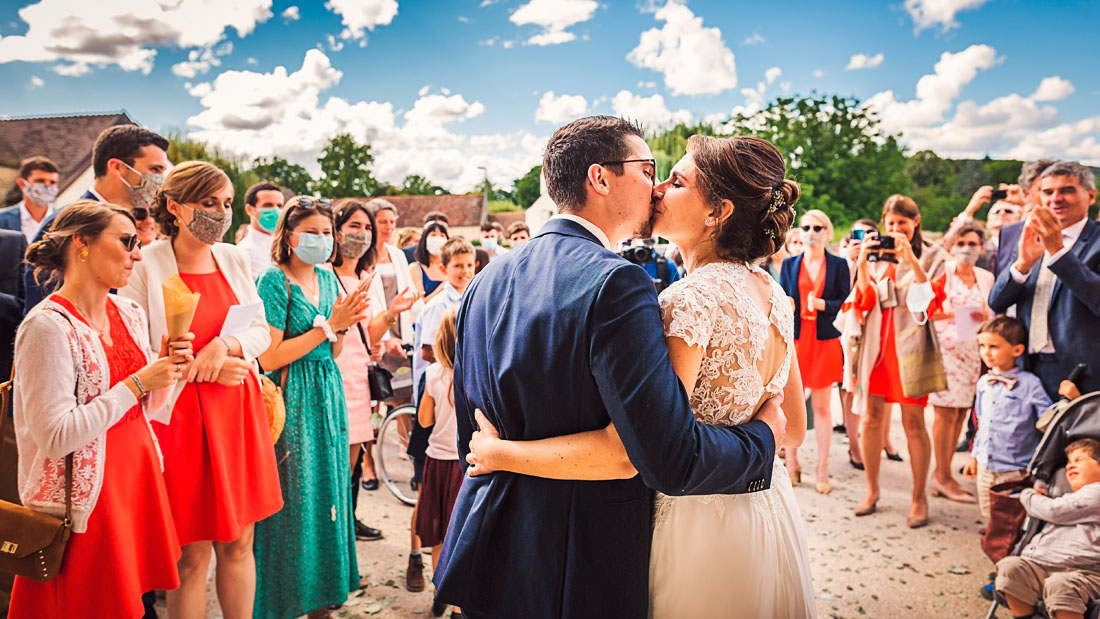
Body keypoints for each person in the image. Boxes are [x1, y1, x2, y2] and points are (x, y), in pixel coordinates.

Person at [433, 118, 790, 618]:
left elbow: (472, 426)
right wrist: (763, 440)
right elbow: (647, 454)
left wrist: (500, 453)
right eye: (647, 170)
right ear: (600, 179)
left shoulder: (485, 279)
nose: (658, 186)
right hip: (578, 561)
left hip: (489, 546)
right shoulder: (617, 283)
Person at [8, 201, 193, 619]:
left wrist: (166, 370)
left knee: (138, 603)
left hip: (135, 483)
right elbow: (55, 436)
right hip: (86, 504)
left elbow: (149, 408)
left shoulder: (128, 310)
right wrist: (139, 382)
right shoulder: (47, 326)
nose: (138, 254)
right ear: (82, 243)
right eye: (127, 241)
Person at [117, 161, 284, 619]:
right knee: (191, 554)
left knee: (240, 540)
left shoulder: (232, 257)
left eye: (227, 203)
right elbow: (133, 352)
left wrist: (226, 347)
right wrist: (201, 366)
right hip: (180, 420)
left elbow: (258, 328)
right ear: (175, 206)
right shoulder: (145, 264)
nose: (221, 212)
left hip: (237, 412)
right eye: (208, 203)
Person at [253, 196, 371, 619]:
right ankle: (284, 601)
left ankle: (322, 599)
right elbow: (267, 357)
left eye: (327, 232)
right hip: (292, 397)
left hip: (327, 391)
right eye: (313, 232)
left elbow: (334, 350)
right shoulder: (273, 280)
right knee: (293, 500)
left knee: (328, 494)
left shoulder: (326, 276)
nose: (322, 239)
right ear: (289, 234)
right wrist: (329, 326)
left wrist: (344, 321)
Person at [844, 194, 947, 528]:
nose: (895, 229)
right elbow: (863, 300)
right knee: (871, 419)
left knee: (914, 423)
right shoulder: (876, 255)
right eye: (890, 223)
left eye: (902, 222)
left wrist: (910, 262)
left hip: (910, 347)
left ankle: (919, 497)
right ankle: (872, 490)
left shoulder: (932, 254)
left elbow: (928, 304)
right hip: (876, 346)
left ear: (915, 221)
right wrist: (860, 267)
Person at [330, 201, 420, 541]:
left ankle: (347, 532)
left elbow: (369, 332)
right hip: (335, 375)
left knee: (349, 469)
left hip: (359, 376)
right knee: (335, 470)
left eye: (367, 228)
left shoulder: (362, 276)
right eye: (355, 226)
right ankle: (336, 543)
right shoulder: (326, 274)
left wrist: (393, 312)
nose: (363, 234)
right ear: (336, 230)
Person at [23, 125, 170, 312]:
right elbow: (44, 309)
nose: (160, 181)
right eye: (155, 170)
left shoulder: (133, 222)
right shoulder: (68, 222)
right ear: (118, 168)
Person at [989, 161, 1100, 399]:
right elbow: (996, 302)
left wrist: (1059, 253)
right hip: (1028, 369)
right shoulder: (1028, 236)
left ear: (1090, 196)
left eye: (1067, 190)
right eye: (1048, 192)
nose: (1055, 198)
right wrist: (1022, 266)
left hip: (1084, 375)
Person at [405, 237, 476, 594]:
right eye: (458, 266)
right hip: (434, 393)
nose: (465, 271)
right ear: (443, 269)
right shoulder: (437, 307)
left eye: (469, 264)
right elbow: (428, 352)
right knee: (427, 489)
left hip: (458, 393)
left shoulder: (476, 295)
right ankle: (418, 554)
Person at [781, 209, 849, 494]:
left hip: (823, 339)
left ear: (827, 232)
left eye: (817, 227)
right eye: (806, 227)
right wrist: (789, 303)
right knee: (790, 406)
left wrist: (824, 305)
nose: (811, 232)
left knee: (822, 407)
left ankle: (823, 467)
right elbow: (783, 296)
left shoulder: (839, 264)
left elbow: (846, 300)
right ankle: (792, 465)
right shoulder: (789, 264)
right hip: (796, 340)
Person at [995, 438, 1100, 619]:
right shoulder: (1069, 496)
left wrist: (1028, 494)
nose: (1070, 466)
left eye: (1079, 460)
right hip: (1042, 565)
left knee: (1061, 585)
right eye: (1068, 462)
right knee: (1010, 566)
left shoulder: (1096, 492)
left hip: (1084, 571)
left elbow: (1055, 511)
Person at [927, 225, 994, 504]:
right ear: (952, 246)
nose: (967, 248)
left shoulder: (985, 277)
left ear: (981, 247)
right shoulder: (943, 273)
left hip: (974, 352)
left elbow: (992, 310)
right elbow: (926, 310)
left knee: (960, 414)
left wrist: (985, 315)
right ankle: (942, 476)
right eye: (962, 242)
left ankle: (943, 473)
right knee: (944, 414)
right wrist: (958, 312)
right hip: (946, 352)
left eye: (973, 243)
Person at [961, 315, 1050, 520]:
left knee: (1013, 517)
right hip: (985, 466)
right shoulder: (984, 382)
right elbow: (981, 423)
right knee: (989, 513)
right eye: (982, 345)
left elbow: (1048, 420)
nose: (986, 352)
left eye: (993, 346)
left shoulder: (1031, 384)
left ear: (1017, 350)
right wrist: (974, 456)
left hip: (1015, 468)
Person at [414, 307, 463, 619]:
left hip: (436, 462)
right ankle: (459, 606)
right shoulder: (474, 375)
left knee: (437, 534)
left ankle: (438, 593)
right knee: (460, 536)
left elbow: (423, 420)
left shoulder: (431, 375)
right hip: (464, 466)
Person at [366, 199, 422, 407]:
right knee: (379, 395)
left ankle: (403, 440)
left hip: (402, 332)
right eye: (383, 222)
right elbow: (370, 300)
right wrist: (386, 338)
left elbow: (408, 292)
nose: (389, 226)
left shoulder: (397, 254)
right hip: (378, 333)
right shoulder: (363, 255)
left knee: (404, 396)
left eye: (392, 221)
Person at [0, 156, 59, 242]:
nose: (47, 186)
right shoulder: (2, 219)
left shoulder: (63, 221)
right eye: (40, 181)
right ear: (22, 184)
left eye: (52, 182)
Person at [237, 181, 286, 278]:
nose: (276, 211)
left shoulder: (287, 244)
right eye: (268, 205)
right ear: (250, 210)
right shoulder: (244, 252)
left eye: (279, 206)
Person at [409, 220, 449, 301]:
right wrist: (443, 287)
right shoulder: (415, 268)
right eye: (433, 235)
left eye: (442, 235)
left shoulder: (452, 266)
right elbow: (420, 303)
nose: (438, 239)